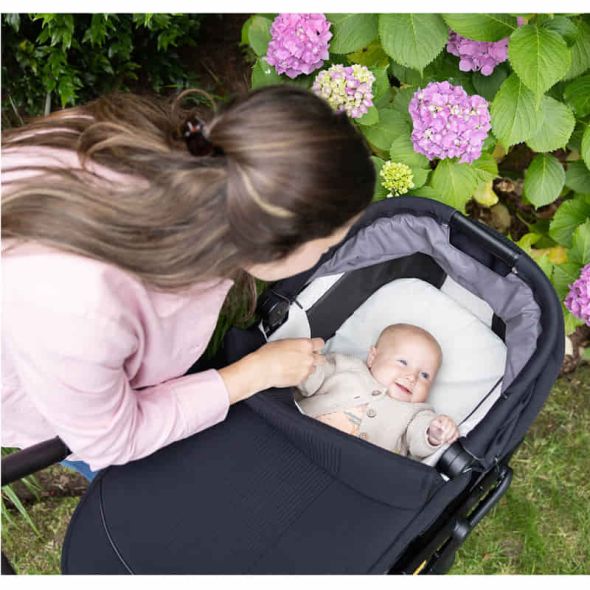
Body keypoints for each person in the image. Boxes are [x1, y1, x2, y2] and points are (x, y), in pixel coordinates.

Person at [1, 85, 375, 480]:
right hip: (52, 395)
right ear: (270, 248)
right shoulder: (82, 313)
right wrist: (253, 374)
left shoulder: (162, 146)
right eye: (327, 245)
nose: (329, 252)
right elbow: (111, 439)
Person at [296, 323, 460, 460]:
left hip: (351, 474)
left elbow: (419, 443)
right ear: (373, 357)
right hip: (298, 435)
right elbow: (312, 374)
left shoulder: (417, 413)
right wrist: (305, 365)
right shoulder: (346, 367)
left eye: (424, 375)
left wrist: (433, 434)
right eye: (403, 362)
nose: (412, 377)